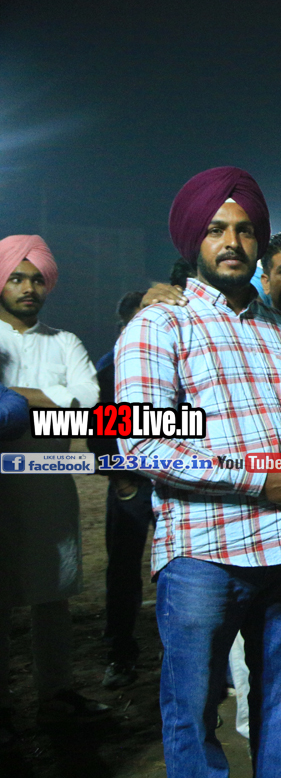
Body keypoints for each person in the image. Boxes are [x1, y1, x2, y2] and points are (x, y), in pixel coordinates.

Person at [116, 166, 281, 776]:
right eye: (216, 229)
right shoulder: (159, 325)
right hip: (202, 554)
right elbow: (141, 445)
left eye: (244, 230)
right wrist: (262, 482)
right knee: (193, 710)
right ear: (194, 239)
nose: (232, 242)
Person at [0, 234, 106, 737]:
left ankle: (57, 694)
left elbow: (89, 405)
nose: (28, 288)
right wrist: (57, 398)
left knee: (53, 596)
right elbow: (71, 401)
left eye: (37, 279)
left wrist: (15, 397)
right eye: (17, 278)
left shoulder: (65, 341)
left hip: (49, 484)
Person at [87, 289, 154, 690]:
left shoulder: (172, 361)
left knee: (182, 569)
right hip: (130, 486)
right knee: (124, 571)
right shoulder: (109, 369)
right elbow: (98, 434)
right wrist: (122, 481)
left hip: (173, 483)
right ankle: (120, 654)